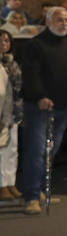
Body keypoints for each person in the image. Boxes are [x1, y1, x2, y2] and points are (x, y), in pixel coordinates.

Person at [18, 6, 67, 213]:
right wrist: (40, 96)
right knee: (36, 152)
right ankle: (31, 196)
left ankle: (43, 190)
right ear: (48, 21)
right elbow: (31, 74)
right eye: (59, 20)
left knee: (50, 152)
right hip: (41, 107)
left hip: (65, 106)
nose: (64, 24)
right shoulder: (35, 45)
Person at [0, 30, 22, 199]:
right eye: (1, 41)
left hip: (14, 110)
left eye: (7, 40)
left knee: (12, 148)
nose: (4, 43)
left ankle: (10, 182)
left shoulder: (12, 63)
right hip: (2, 112)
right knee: (2, 149)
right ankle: (2, 185)